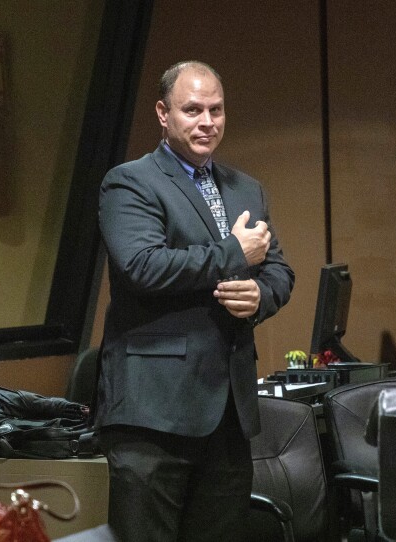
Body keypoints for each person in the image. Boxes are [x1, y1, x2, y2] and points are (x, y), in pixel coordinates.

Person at [94, 60, 294, 541]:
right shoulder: (129, 182)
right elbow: (142, 265)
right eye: (193, 110)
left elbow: (280, 270)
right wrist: (232, 254)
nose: (208, 122)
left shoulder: (246, 187)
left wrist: (259, 295)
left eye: (217, 109)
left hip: (228, 411)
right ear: (163, 114)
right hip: (153, 413)